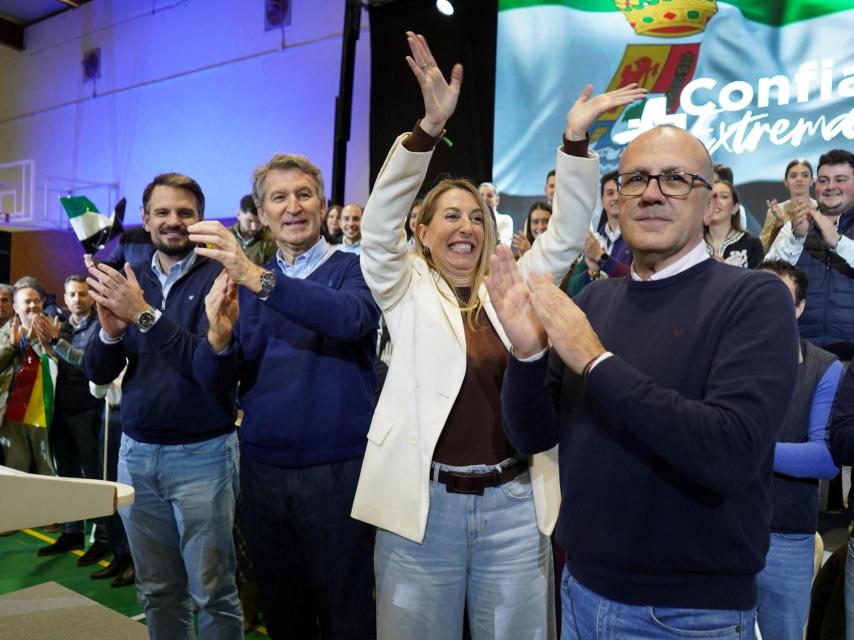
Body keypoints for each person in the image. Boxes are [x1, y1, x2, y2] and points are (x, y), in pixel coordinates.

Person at [350, 31, 646, 639]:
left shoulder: (512, 282)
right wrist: (428, 128)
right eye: (449, 216)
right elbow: (379, 229)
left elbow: (565, 235)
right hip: (421, 510)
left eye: (476, 217)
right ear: (424, 232)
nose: (466, 226)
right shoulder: (400, 285)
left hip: (514, 508)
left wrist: (574, 141)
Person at [490, 124, 799, 638]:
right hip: (580, 592)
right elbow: (532, 437)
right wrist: (527, 354)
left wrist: (596, 360)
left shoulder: (755, 299)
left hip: (689, 615)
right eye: (635, 179)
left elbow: (727, 452)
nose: (652, 192)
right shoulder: (594, 301)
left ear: (709, 201)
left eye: (675, 179)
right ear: (617, 200)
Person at [187, 154, 379, 639]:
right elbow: (216, 381)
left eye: (303, 194)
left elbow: (348, 320)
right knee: (283, 610)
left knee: (346, 613)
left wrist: (259, 279)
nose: (293, 206)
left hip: (338, 471)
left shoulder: (355, 269)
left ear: (323, 204)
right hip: (263, 473)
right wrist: (218, 338)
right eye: (279, 197)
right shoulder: (240, 283)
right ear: (262, 210)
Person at [84, 172, 242, 640]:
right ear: (146, 218)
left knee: (213, 592)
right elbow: (97, 370)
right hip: (136, 455)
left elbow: (212, 372)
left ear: (200, 219)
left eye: (185, 213)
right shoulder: (132, 278)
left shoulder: (223, 276)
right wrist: (112, 330)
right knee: (157, 590)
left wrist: (143, 315)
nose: (174, 221)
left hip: (204, 456)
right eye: (164, 212)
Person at [754, 260, 842, 640]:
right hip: (720, 529)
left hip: (787, 536)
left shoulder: (824, 368)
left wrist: (746, 448)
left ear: (800, 308)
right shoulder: (718, 355)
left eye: (779, 299)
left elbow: (825, 458)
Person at [33, 276, 110, 562]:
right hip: (61, 411)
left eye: (82, 294)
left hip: (88, 412)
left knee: (93, 478)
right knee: (66, 476)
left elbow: (88, 363)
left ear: (90, 298)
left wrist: (55, 341)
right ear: (64, 298)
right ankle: (72, 530)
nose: (77, 299)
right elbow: (52, 362)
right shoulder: (60, 325)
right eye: (72, 294)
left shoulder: (100, 326)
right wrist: (45, 345)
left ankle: (101, 536)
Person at [766, 149, 854, 360]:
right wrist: (797, 238)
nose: (830, 186)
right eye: (824, 180)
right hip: (803, 355)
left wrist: (838, 242)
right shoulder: (794, 227)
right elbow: (767, 278)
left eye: (840, 179)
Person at [0, 284, 57, 476]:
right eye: (27, 301)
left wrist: (46, 343)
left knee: (46, 470)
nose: (33, 305)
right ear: (16, 307)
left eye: (36, 301)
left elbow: (64, 364)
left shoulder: (54, 328)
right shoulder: (6, 332)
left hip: (44, 412)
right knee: (16, 469)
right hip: (12, 413)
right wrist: (14, 346)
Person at [566, 170, 632, 296]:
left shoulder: (637, 237)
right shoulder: (595, 239)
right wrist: (591, 272)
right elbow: (572, 288)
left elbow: (639, 279)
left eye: (620, 193)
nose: (616, 198)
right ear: (602, 200)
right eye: (610, 193)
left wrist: (602, 259)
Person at [705, 180, 764, 268]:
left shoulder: (752, 244)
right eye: (711, 196)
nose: (715, 201)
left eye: (723, 196)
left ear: (735, 208)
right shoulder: (693, 243)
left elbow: (758, 281)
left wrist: (726, 271)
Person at [759, 159, 816, 251]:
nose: (799, 179)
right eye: (793, 176)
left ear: (812, 180)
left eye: (805, 175)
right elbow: (764, 248)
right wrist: (779, 224)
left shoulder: (821, 210)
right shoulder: (775, 211)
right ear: (785, 181)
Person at [228, 194, 277, 266]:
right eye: (250, 221)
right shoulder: (224, 235)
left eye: (259, 222)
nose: (254, 227)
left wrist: (256, 276)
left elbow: (272, 274)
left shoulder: (269, 244)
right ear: (238, 214)